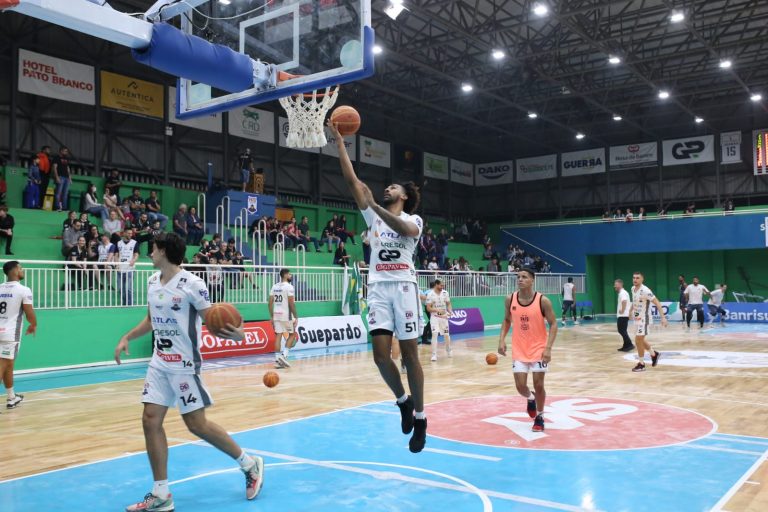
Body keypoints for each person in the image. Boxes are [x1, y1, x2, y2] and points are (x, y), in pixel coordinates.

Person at [114, 232, 264, 512]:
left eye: (153, 248)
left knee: (196, 424)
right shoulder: (151, 281)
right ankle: (161, 494)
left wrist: (238, 334)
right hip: (160, 362)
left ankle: (249, 463)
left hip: (184, 364)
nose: (149, 253)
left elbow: (213, 321)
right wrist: (127, 337)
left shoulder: (193, 284)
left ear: (164, 251)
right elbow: (151, 320)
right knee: (150, 419)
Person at [329, 119, 427, 453]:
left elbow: (404, 230)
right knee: (381, 357)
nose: (388, 189)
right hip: (379, 290)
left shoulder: (413, 219)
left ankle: (422, 418)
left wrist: (373, 205)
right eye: (386, 187)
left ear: (405, 196)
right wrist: (339, 141)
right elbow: (352, 181)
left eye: (393, 188)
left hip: (404, 288)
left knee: (410, 356)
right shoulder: (372, 216)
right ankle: (402, 401)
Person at [497, 268, 558, 432]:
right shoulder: (510, 299)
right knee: (520, 386)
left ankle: (540, 416)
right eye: (518, 277)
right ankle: (531, 398)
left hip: (539, 349)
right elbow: (507, 320)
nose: (520, 279)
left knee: (539, 385)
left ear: (532, 280)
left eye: (524, 277)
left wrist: (548, 348)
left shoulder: (543, 301)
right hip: (519, 349)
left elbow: (553, 324)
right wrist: (501, 340)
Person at [0, 261, 36, 409]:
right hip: (9, 334)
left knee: (8, 365)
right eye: (20, 268)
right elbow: (29, 312)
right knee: (3, 364)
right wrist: (33, 324)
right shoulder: (23, 290)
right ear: (14, 271)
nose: (22, 270)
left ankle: (11, 397)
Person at [630, 271, 667, 372]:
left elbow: (657, 302)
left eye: (637, 278)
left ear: (642, 279)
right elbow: (634, 301)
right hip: (637, 319)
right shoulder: (633, 289)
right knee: (640, 340)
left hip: (644, 319)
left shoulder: (646, 290)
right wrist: (630, 311)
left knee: (638, 340)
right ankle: (654, 354)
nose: (635, 280)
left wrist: (663, 317)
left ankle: (641, 364)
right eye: (634, 278)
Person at [269, 268, 298, 369]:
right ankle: (284, 356)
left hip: (276, 314)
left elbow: (270, 303)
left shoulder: (274, 286)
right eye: (289, 274)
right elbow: (291, 303)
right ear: (285, 275)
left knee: (278, 336)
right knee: (292, 334)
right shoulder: (289, 287)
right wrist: (296, 316)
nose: (291, 275)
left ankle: (278, 360)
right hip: (287, 315)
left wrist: (272, 316)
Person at [426, 279, 452, 362]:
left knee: (446, 335)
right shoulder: (430, 294)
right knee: (434, 334)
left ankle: (448, 350)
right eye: (441, 285)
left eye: (443, 285)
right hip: (435, 317)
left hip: (444, 317)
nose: (442, 287)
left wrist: (450, 311)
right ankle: (434, 354)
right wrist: (437, 310)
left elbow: (448, 304)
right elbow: (428, 308)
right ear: (436, 284)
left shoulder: (445, 293)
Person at [117, 228, 139, 306]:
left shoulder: (134, 243)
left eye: (131, 233)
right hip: (120, 268)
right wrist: (117, 264)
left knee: (129, 288)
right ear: (124, 233)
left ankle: (130, 304)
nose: (130, 235)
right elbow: (116, 255)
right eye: (129, 233)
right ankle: (124, 303)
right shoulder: (119, 243)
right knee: (120, 288)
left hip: (130, 269)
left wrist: (133, 260)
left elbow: (136, 254)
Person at [614, 279, 634, 352]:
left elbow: (624, 301)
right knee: (623, 330)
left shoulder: (622, 293)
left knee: (621, 330)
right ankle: (625, 346)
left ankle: (630, 345)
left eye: (616, 285)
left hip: (623, 315)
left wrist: (622, 311)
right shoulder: (623, 292)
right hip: (624, 315)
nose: (614, 286)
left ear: (620, 285)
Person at [51, 145, 72, 212]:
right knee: (58, 193)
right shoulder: (56, 158)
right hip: (60, 176)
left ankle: (64, 207)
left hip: (66, 178)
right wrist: (57, 177)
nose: (66, 152)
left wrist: (70, 178)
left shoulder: (67, 159)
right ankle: (56, 207)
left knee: (65, 193)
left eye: (67, 151)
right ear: (61, 151)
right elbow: (54, 168)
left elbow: (68, 168)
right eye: (65, 151)